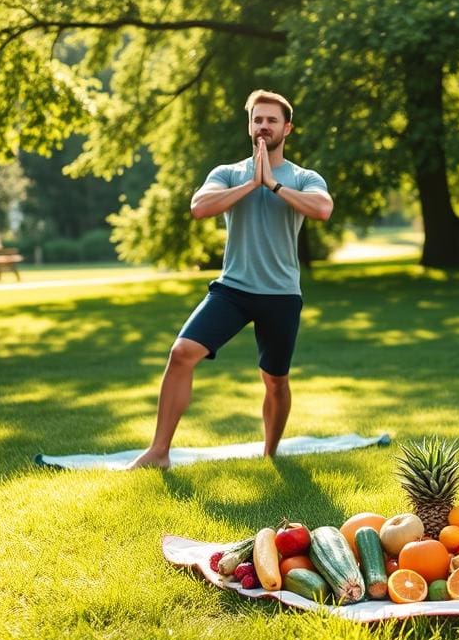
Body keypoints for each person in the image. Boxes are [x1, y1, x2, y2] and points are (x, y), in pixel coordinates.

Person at [129, 89, 333, 469]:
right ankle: (159, 452)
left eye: (272, 120)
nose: (264, 126)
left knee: (275, 380)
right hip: (233, 289)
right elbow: (199, 206)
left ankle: (270, 453)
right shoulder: (227, 173)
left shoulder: (304, 177)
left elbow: (322, 209)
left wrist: (273, 184)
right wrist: (252, 183)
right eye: (258, 119)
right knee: (181, 353)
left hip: (281, 294)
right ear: (249, 126)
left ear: (287, 128)